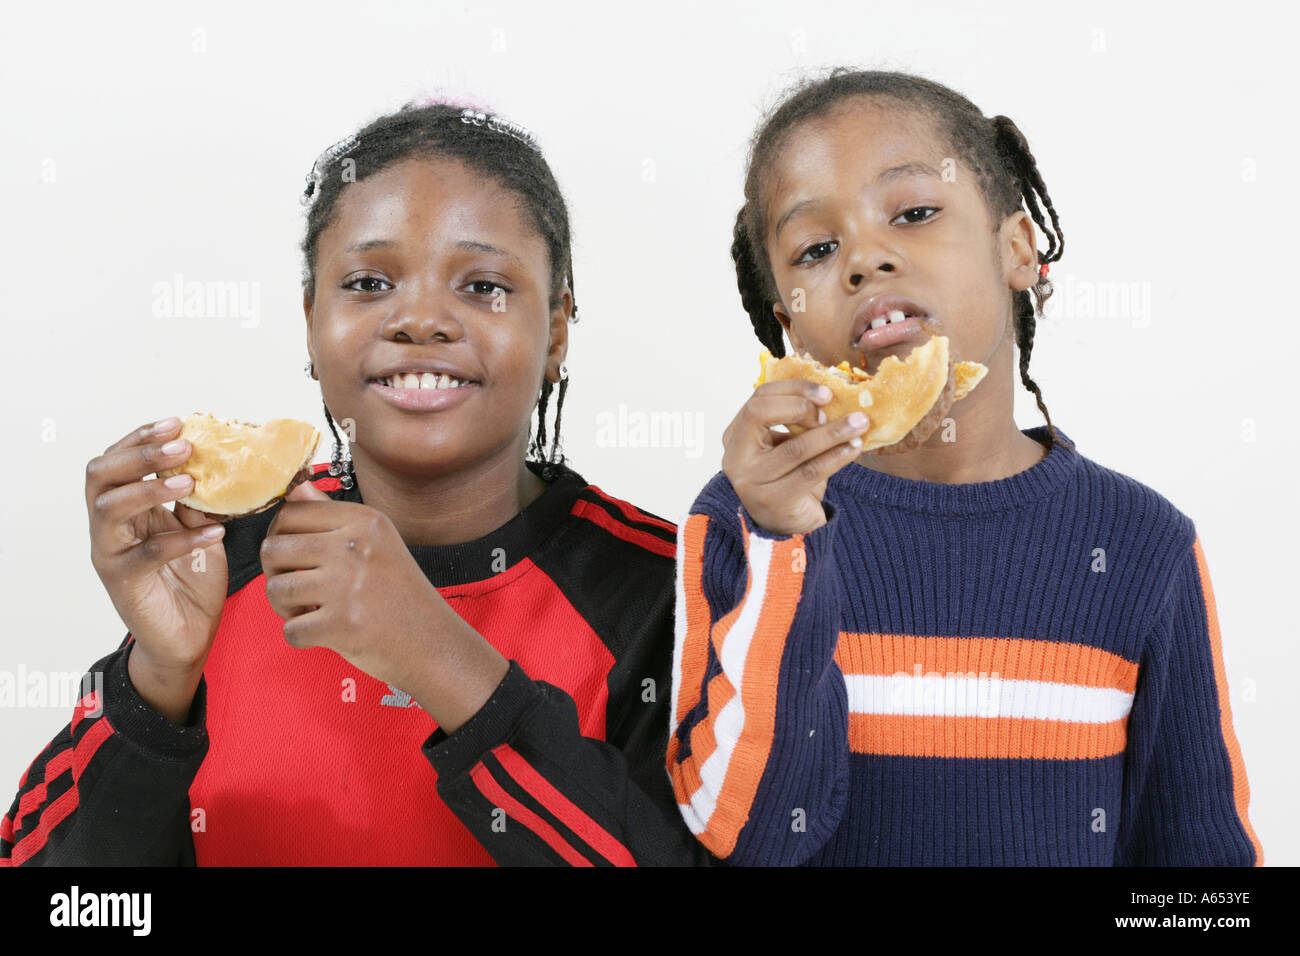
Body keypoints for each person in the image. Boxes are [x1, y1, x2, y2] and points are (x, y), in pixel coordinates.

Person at [3, 97, 712, 866]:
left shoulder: (671, 595)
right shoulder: (220, 561)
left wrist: (443, 660)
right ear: (311, 321)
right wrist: (156, 680)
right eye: (369, 283)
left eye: (483, 286)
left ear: (558, 328)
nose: (420, 319)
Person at [667, 69, 1263, 866]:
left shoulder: (1141, 542)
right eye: (816, 248)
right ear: (787, 324)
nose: (865, 260)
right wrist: (784, 539)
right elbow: (749, 834)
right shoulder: (742, 517)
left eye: (913, 213)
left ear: (1017, 248)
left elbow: (1200, 865)